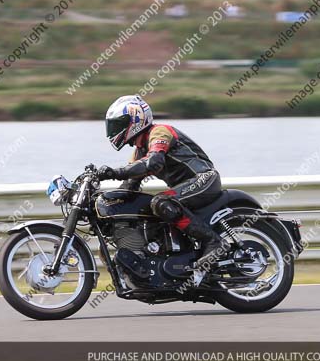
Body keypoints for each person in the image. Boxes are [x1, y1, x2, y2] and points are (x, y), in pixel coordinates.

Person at [96, 95, 224, 268]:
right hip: (184, 189)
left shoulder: (159, 131)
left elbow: (154, 162)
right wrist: (103, 200)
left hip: (204, 179)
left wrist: (114, 172)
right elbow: (129, 187)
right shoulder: (140, 151)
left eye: (119, 124)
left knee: (160, 201)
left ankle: (214, 242)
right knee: (146, 208)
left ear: (136, 119)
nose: (115, 129)